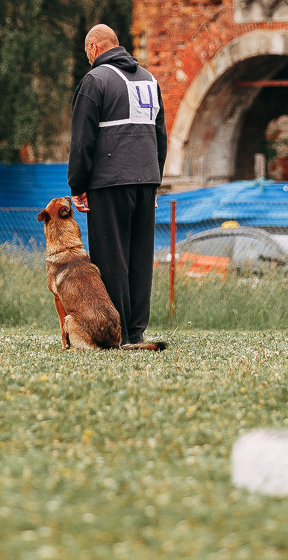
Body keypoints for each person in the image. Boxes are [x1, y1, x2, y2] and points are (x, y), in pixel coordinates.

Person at [68, 24, 167, 345]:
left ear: (94, 47)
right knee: (139, 258)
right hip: (146, 180)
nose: (88, 58)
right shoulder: (150, 80)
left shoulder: (95, 81)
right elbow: (160, 137)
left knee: (111, 259)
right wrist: (154, 182)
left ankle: (118, 334)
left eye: (87, 53)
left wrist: (77, 184)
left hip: (109, 183)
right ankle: (136, 332)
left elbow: (82, 140)